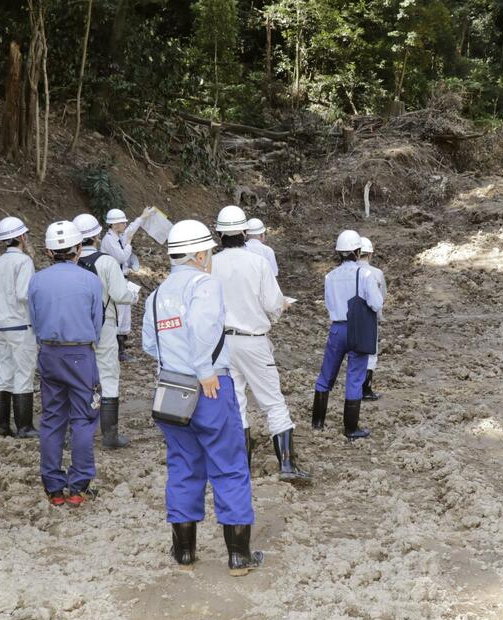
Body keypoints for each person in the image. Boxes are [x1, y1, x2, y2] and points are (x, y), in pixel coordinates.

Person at [142, 219, 262, 576]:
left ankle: (184, 554)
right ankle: (239, 556)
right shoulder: (204, 284)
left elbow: (151, 343)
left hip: (171, 391)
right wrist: (203, 369)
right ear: (198, 254)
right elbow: (202, 326)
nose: (209, 257)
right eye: (208, 252)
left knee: (182, 467)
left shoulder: (156, 294)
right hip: (208, 386)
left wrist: (177, 363)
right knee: (229, 466)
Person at [211, 206, 310, 484]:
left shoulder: (212, 264)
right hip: (253, 340)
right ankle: (287, 463)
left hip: (223, 342)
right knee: (273, 402)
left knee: (237, 403)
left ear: (219, 234)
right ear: (244, 232)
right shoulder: (258, 262)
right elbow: (272, 304)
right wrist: (279, 310)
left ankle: (242, 467)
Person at [28, 221, 104, 507]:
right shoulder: (90, 280)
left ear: (48, 250)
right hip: (80, 353)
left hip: (49, 352)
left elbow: (34, 319)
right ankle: (79, 484)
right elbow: (97, 320)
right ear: (78, 248)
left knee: (52, 417)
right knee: (83, 417)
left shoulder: (37, 280)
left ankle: (53, 486)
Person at [311, 230, 383, 440]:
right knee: (354, 377)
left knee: (326, 375)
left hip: (337, 328)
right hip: (357, 328)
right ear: (357, 251)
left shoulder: (330, 276)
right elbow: (376, 303)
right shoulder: (365, 274)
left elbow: (329, 304)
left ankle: (317, 423)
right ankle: (351, 428)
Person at [74, 213, 136, 448]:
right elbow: (121, 295)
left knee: (78, 378)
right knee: (108, 376)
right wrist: (133, 294)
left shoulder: (70, 262)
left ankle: (78, 432)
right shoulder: (107, 262)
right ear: (97, 235)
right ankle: (110, 436)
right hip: (105, 325)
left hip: (75, 329)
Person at [0, 216, 39, 438]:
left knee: (4, 373)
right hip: (20, 325)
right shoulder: (24, 261)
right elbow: (23, 293)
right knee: (24, 374)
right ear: (20, 237)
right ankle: (24, 426)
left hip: (0, 325)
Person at [100, 207, 154, 362]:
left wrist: (142, 217)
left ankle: (121, 346)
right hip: (114, 279)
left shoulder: (117, 236)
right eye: (122, 222)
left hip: (121, 278)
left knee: (125, 314)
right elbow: (122, 257)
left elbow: (130, 231)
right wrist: (129, 245)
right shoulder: (109, 240)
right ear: (115, 225)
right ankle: (116, 350)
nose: (125, 224)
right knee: (118, 313)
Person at [359, 237, 386, 401]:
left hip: (346, 320)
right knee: (370, 354)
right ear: (369, 254)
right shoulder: (376, 273)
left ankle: (353, 388)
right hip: (368, 317)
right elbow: (380, 298)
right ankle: (366, 389)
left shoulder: (342, 272)